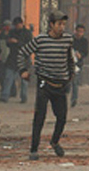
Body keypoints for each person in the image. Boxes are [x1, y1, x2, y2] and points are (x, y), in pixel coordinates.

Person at [18, 10, 75, 160]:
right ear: (51, 25)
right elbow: (22, 53)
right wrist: (23, 70)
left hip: (61, 85)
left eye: (63, 24)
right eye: (59, 24)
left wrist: (70, 75)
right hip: (44, 83)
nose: (62, 27)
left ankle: (55, 142)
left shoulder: (68, 39)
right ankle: (34, 149)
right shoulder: (40, 40)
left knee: (62, 117)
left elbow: (70, 58)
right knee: (39, 117)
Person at [1, 17, 32, 103]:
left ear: (22, 24)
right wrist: (10, 41)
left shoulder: (27, 33)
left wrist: (17, 42)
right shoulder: (12, 32)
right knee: (8, 78)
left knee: (24, 81)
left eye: (18, 25)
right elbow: (7, 43)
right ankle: (5, 96)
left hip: (24, 59)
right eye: (15, 25)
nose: (17, 26)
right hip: (12, 58)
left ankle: (24, 97)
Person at [71, 24, 89, 108]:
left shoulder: (84, 41)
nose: (79, 33)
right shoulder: (70, 39)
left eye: (81, 32)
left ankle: (74, 99)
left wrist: (80, 55)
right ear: (75, 31)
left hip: (78, 64)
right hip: (68, 63)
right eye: (78, 31)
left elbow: (86, 52)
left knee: (75, 82)